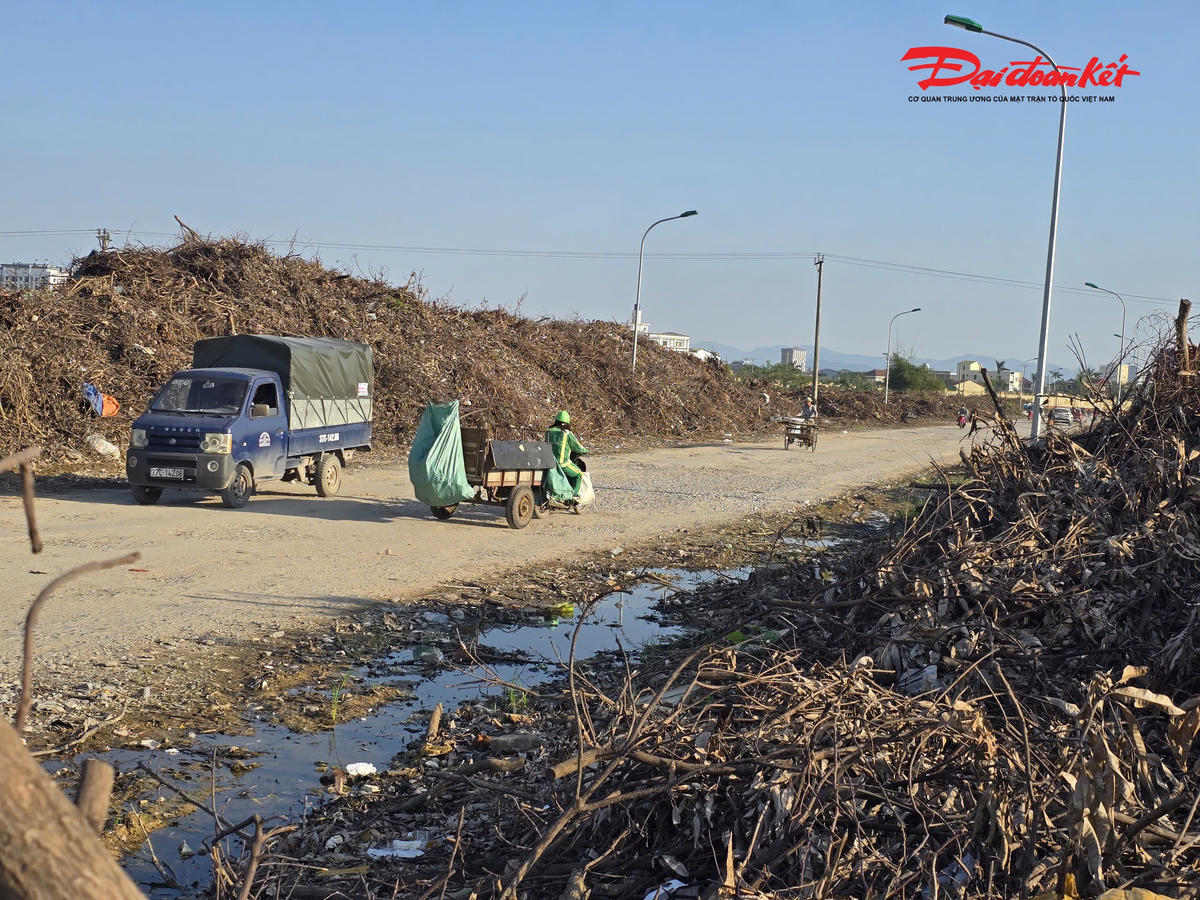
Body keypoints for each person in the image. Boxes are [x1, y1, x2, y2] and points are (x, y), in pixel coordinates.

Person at [545, 410, 588, 498]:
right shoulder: (566, 433)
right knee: (579, 474)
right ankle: (573, 495)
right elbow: (576, 446)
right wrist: (585, 451)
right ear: (566, 423)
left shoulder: (548, 431)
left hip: (549, 462)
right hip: (562, 463)